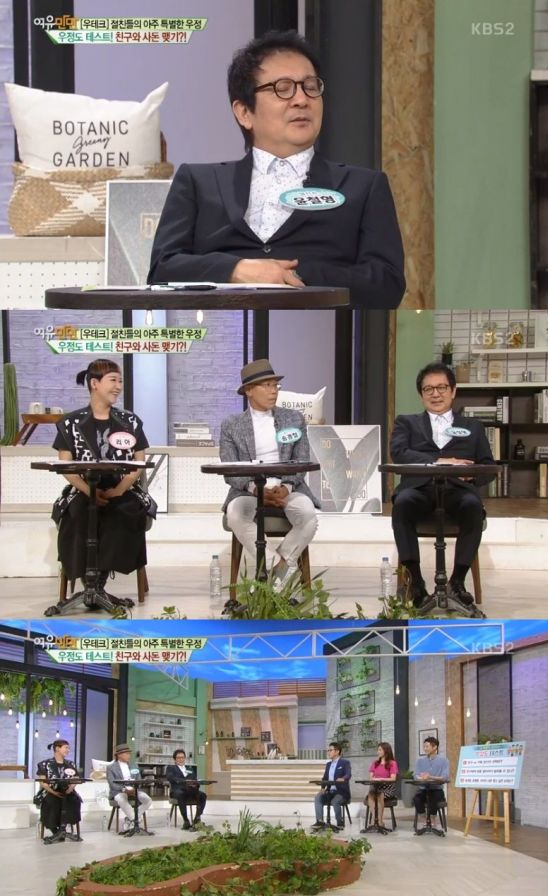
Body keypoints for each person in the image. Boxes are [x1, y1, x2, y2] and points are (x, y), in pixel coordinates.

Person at [147, 29, 405, 309]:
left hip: (320, 326)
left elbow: (387, 284)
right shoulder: (198, 182)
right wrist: (237, 270)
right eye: (283, 88)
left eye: (310, 87)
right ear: (244, 112)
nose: (301, 99)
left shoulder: (362, 187)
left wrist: (291, 275)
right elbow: (163, 269)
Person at [390, 363, 497, 609]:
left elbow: (488, 466)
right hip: (418, 490)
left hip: (457, 490)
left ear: (453, 391)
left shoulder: (472, 427)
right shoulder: (407, 422)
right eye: (428, 389)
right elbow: (399, 453)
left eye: (441, 387)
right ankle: (416, 583)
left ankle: (457, 582)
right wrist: (439, 461)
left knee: (472, 505)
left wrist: (472, 477)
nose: (435, 394)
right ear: (421, 394)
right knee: (402, 503)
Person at [52, 359, 156, 599]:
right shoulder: (71, 422)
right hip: (82, 489)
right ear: (94, 383)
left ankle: (97, 583)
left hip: (122, 489)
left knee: (122, 511)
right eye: (113, 380)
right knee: (78, 513)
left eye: (120, 381)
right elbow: (65, 466)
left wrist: (119, 490)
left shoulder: (130, 421)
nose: (118, 386)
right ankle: (86, 580)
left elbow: (139, 463)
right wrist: (89, 491)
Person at [220, 358, 320, 589]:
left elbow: (301, 460)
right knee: (235, 514)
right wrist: (256, 490)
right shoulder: (231, 425)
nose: (273, 391)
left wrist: (286, 487)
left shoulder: (293, 419)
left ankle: (275, 572)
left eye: (275, 385)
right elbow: (230, 470)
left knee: (308, 515)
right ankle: (277, 567)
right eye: (266, 385)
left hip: (288, 488)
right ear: (248, 390)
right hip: (248, 490)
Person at [36, 739, 82, 845]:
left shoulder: (71, 764)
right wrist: (53, 792)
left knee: (74, 800)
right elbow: (43, 782)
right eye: (66, 747)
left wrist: (70, 789)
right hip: (50, 792)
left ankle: (62, 829)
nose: (68, 750)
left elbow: (76, 779)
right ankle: (56, 830)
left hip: (68, 792)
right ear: (57, 748)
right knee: (51, 801)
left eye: (68, 748)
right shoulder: (44, 764)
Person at [106, 743, 153, 827]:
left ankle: (130, 819)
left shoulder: (134, 765)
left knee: (148, 800)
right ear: (119, 755)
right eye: (126, 753)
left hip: (134, 790)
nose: (129, 755)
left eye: (129, 753)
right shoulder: (111, 767)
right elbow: (112, 784)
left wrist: (135, 789)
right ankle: (135, 820)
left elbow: (139, 780)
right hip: (119, 791)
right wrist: (124, 790)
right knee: (121, 798)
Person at [311, 741, 351, 832]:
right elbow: (325, 778)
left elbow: (348, 774)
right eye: (328, 750)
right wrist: (322, 788)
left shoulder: (345, 763)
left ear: (337, 751)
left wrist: (343, 778)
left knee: (335, 801)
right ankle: (320, 821)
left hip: (341, 792)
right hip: (330, 791)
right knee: (318, 797)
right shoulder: (328, 764)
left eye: (330, 750)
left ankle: (340, 823)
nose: (328, 752)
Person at [413, 736, 449, 835]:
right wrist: (422, 778)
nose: (425, 749)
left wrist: (430, 777)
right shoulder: (420, 761)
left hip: (437, 789)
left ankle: (433, 820)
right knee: (416, 798)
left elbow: (445, 777)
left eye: (427, 746)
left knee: (434, 798)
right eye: (424, 746)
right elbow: (415, 775)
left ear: (435, 747)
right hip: (424, 789)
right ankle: (425, 820)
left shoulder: (443, 760)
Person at [164, 748, 207, 829]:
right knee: (181, 794)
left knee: (202, 795)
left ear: (185, 758)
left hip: (191, 790)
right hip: (177, 790)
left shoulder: (189, 769)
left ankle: (197, 819)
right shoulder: (171, 768)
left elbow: (195, 780)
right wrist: (185, 781)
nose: (181, 759)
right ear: (175, 759)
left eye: (182, 757)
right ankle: (186, 821)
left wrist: (196, 785)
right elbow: (171, 778)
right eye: (178, 758)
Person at [364, 741, 398, 831]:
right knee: (371, 795)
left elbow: (393, 778)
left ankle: (379, 821)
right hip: (376, 787)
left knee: (380, 795)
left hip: (388, 788)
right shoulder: (375, 763)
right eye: (378, 750)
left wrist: (380, 779)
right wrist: (375, 779)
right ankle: (376, 820)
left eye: (379, 750)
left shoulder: (392, 763)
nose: (377, 752)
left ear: (386, 751)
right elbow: (371, 777)